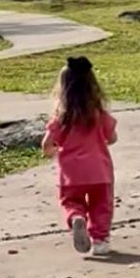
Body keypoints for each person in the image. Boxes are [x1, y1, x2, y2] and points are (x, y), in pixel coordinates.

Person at [41, 55, 118, 256]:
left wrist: (52, 151)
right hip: (100, 171)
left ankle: (77, 217)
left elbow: (47, 144)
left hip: (71, 173)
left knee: (71, 201)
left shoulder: (62, 118)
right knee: (102, 206)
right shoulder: (99, 114)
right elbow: (112, 137)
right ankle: (100, 240)